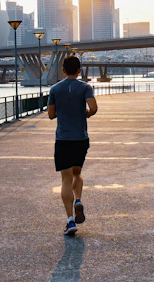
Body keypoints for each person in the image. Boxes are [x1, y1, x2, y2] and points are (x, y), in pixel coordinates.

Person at [48, 55, 98, 235]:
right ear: (79, 70)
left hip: (63, 139)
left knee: (65, 179)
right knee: (77, 173)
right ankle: (78, 200)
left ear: (63, 70)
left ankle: (70, 220)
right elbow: (93, 108)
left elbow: (51, 115)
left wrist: (62, 111)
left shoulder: (55, 89)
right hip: (80, 138)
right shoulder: (85, 87)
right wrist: (86, 114)